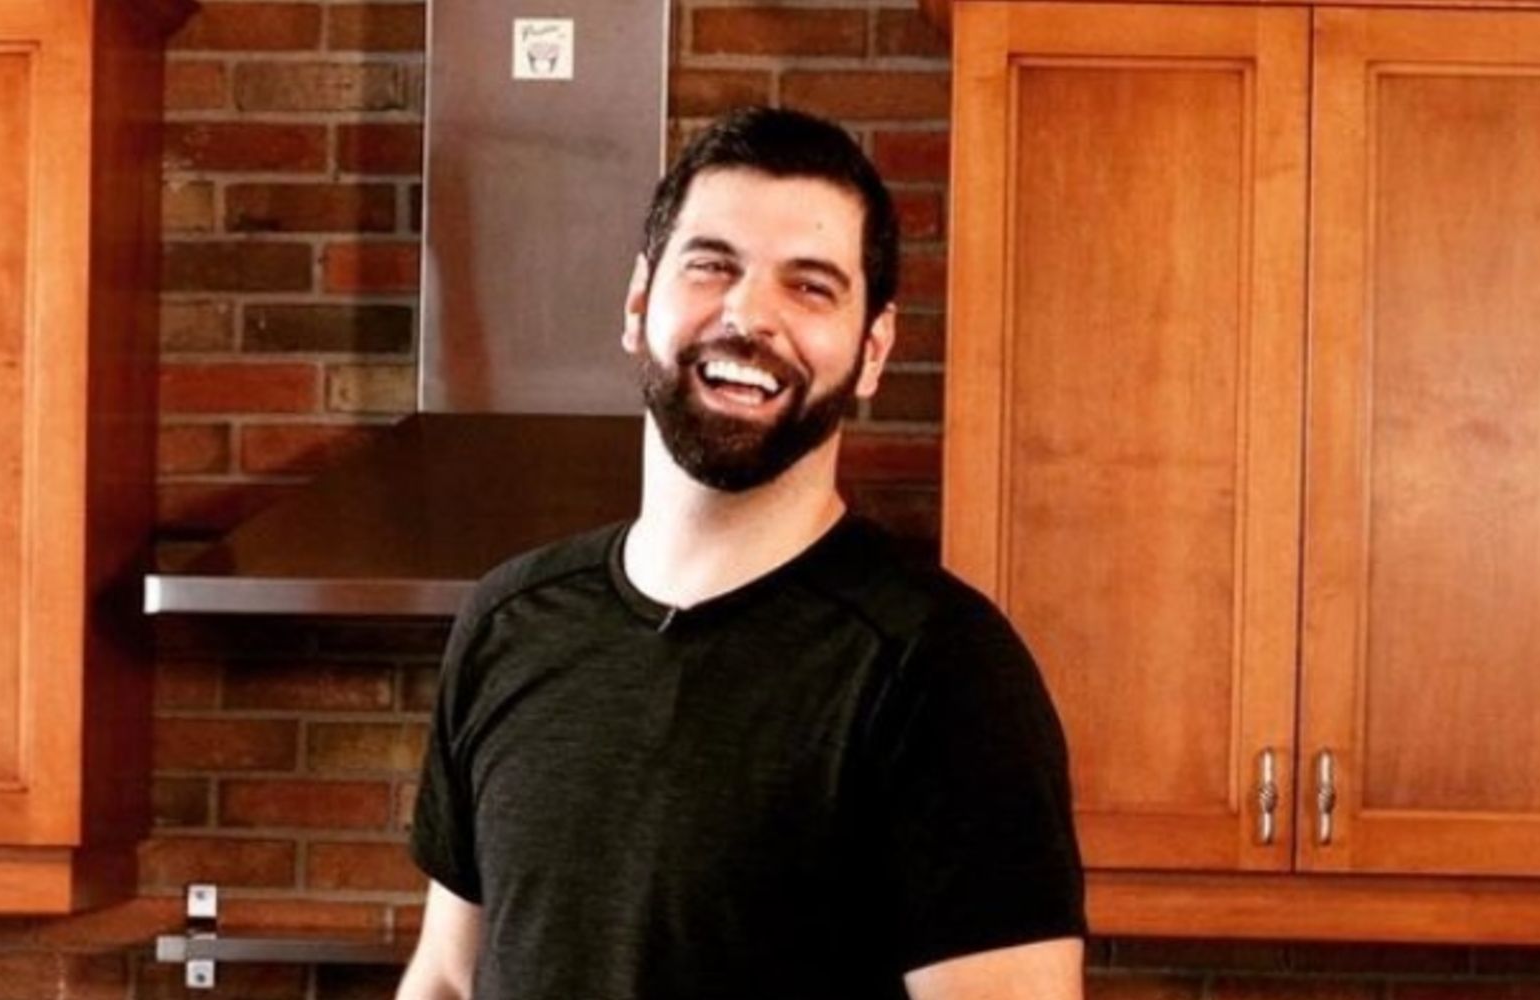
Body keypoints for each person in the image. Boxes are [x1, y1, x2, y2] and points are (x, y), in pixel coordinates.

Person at [396, 106, 1085, 1000]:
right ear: (640, 301)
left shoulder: (940, 669)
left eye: (810, 287)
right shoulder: (508, 621)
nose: (748, 314)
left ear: (872, 351)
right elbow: (449, 976)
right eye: (713, 265)